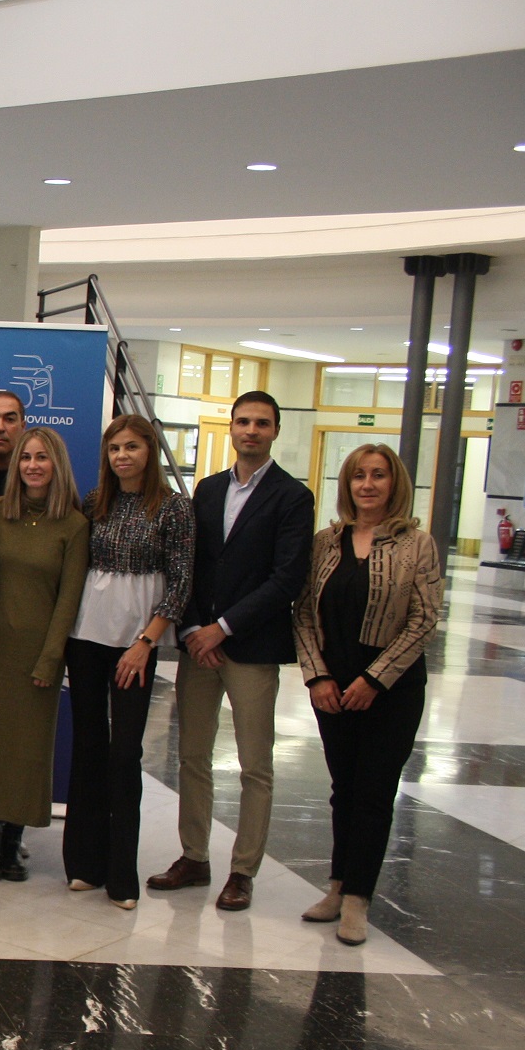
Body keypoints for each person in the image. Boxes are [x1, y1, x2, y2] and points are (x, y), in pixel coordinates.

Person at [154, 390, 314, 911]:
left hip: (250, 647)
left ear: (275, 431)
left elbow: (287, 577)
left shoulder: (292, 497)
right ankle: (194, 857)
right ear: (231, 427)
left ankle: (242, 871)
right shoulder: (208, 489)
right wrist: (198, 625)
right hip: (201, 644)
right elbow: (191, 564)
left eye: (261, 423)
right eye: (243, 421)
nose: (251, 430)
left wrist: (224, 627)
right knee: (192, 756)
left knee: (253, 765)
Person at [294, 445, 440, 946]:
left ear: (394, 483)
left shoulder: (416, 544)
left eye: (378, 476)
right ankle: (336, 886)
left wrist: (374, 679)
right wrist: (318, 677)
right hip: (334, 687)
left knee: (374, 794)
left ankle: (358, 899)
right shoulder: (325, 543)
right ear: (347, 484)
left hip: (390, 691)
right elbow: (305, 614)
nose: (368, 484)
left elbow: (424, 620)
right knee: (343, 790)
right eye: (359, 476)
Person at [62, 415, 195, 909]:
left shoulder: (175, 508)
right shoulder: (96, 502)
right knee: (90, 748)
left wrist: (147, 641)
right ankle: (85, 865)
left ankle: (122, 874)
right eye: (115, 447)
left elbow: (181, 581)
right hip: (87, 638)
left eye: (133, 447)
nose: (123, 455)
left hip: (136, 644)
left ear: (150, 451)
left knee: (125, 755)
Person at [0, 428, 88, 880]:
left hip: (36, 655)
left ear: (57, 465)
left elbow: (69, 599)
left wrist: (51, 658)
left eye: (41, 458)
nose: (32, 465)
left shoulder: (74, 525)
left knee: (26, 754)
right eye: (25, 457)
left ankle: (12, 843)